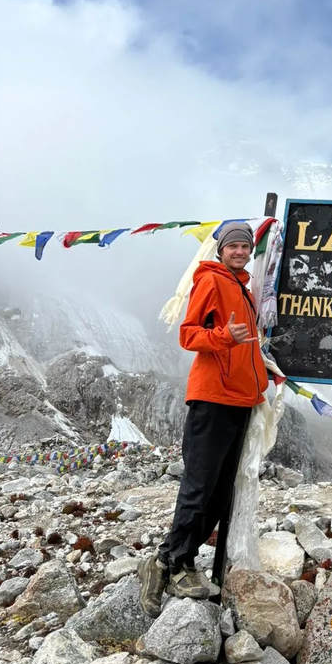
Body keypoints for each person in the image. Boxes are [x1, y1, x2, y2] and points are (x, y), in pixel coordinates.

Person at [139, 221, 268, 616]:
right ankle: (174, 562)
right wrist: (225, 337)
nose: (241, 252)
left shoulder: (243, 289)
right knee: (199, 486)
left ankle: (172, 560)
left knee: (219, 491)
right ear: (221, 249)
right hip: (213, 397)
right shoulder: (210, 280)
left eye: (246, 246)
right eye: (234, 246)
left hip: (240, 400)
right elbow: (189, 334)